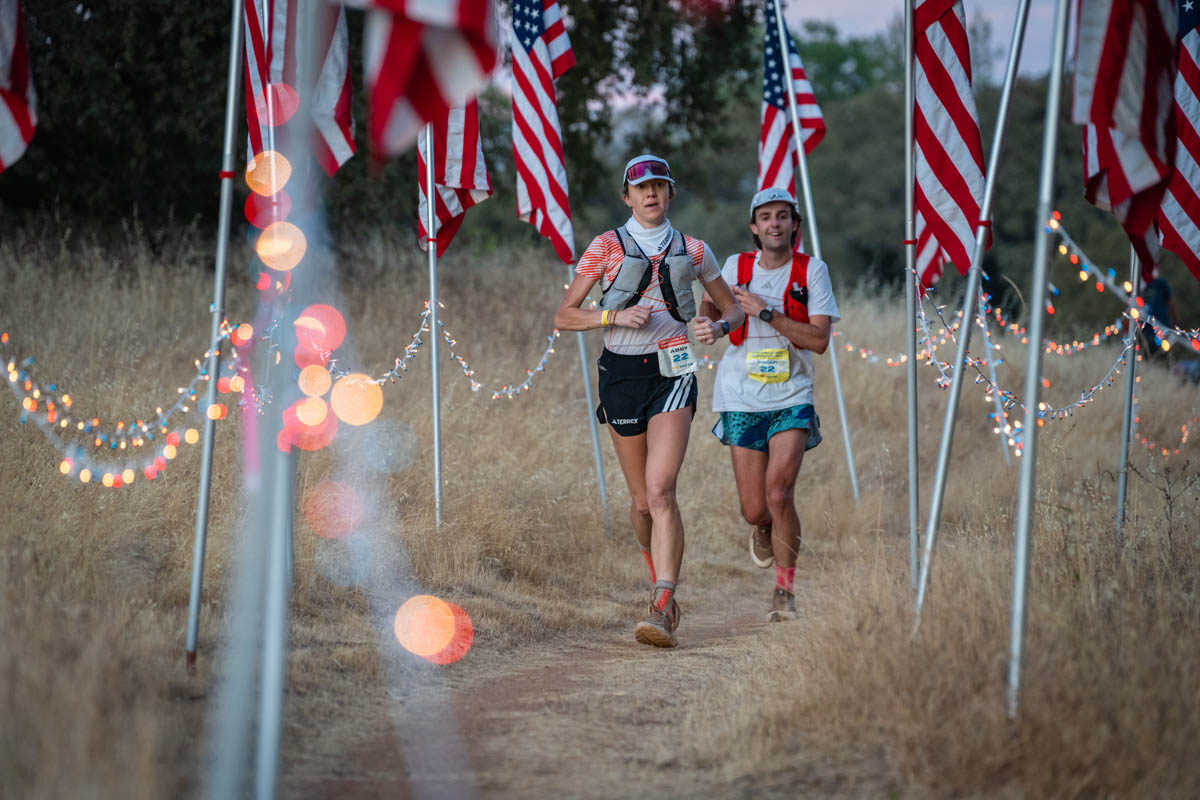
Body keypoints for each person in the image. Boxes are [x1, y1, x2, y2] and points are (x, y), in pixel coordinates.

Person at [555, 154, 743, 648]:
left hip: (674, 372)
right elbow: (564, 315)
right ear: (627, 197)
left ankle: (661, 603)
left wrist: (716, 327)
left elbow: (734, 309)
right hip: (620, 375)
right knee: (640, 501)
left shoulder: (695, 250)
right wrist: (612, 319)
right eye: (641, 187)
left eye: (659, 185)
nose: (651, 193)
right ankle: (654, 569)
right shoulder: (606, 246)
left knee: (661, 491)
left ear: (670, 193)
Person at [699, 187, 839, 622]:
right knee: (755, 508)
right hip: (740, 396)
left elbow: (818, 341)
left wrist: (765, 313)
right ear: (754, 228)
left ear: (794, 224)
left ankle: (785, 592)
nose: (774, 224)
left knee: (780, 493)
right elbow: (711, 309)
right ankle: (762, 527)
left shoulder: (812, 271)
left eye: (782, 216)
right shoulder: (735, 267)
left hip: (791, 396)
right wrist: (710, 325)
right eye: (766, 217)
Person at [1138, 275, 1181, 361]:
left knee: (1160, 358)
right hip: (1144, 330)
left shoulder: (1161, 284)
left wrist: (1176, 323)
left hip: (1162, 329)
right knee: (1145, 357)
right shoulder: (1139, 285)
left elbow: (1171, 302)